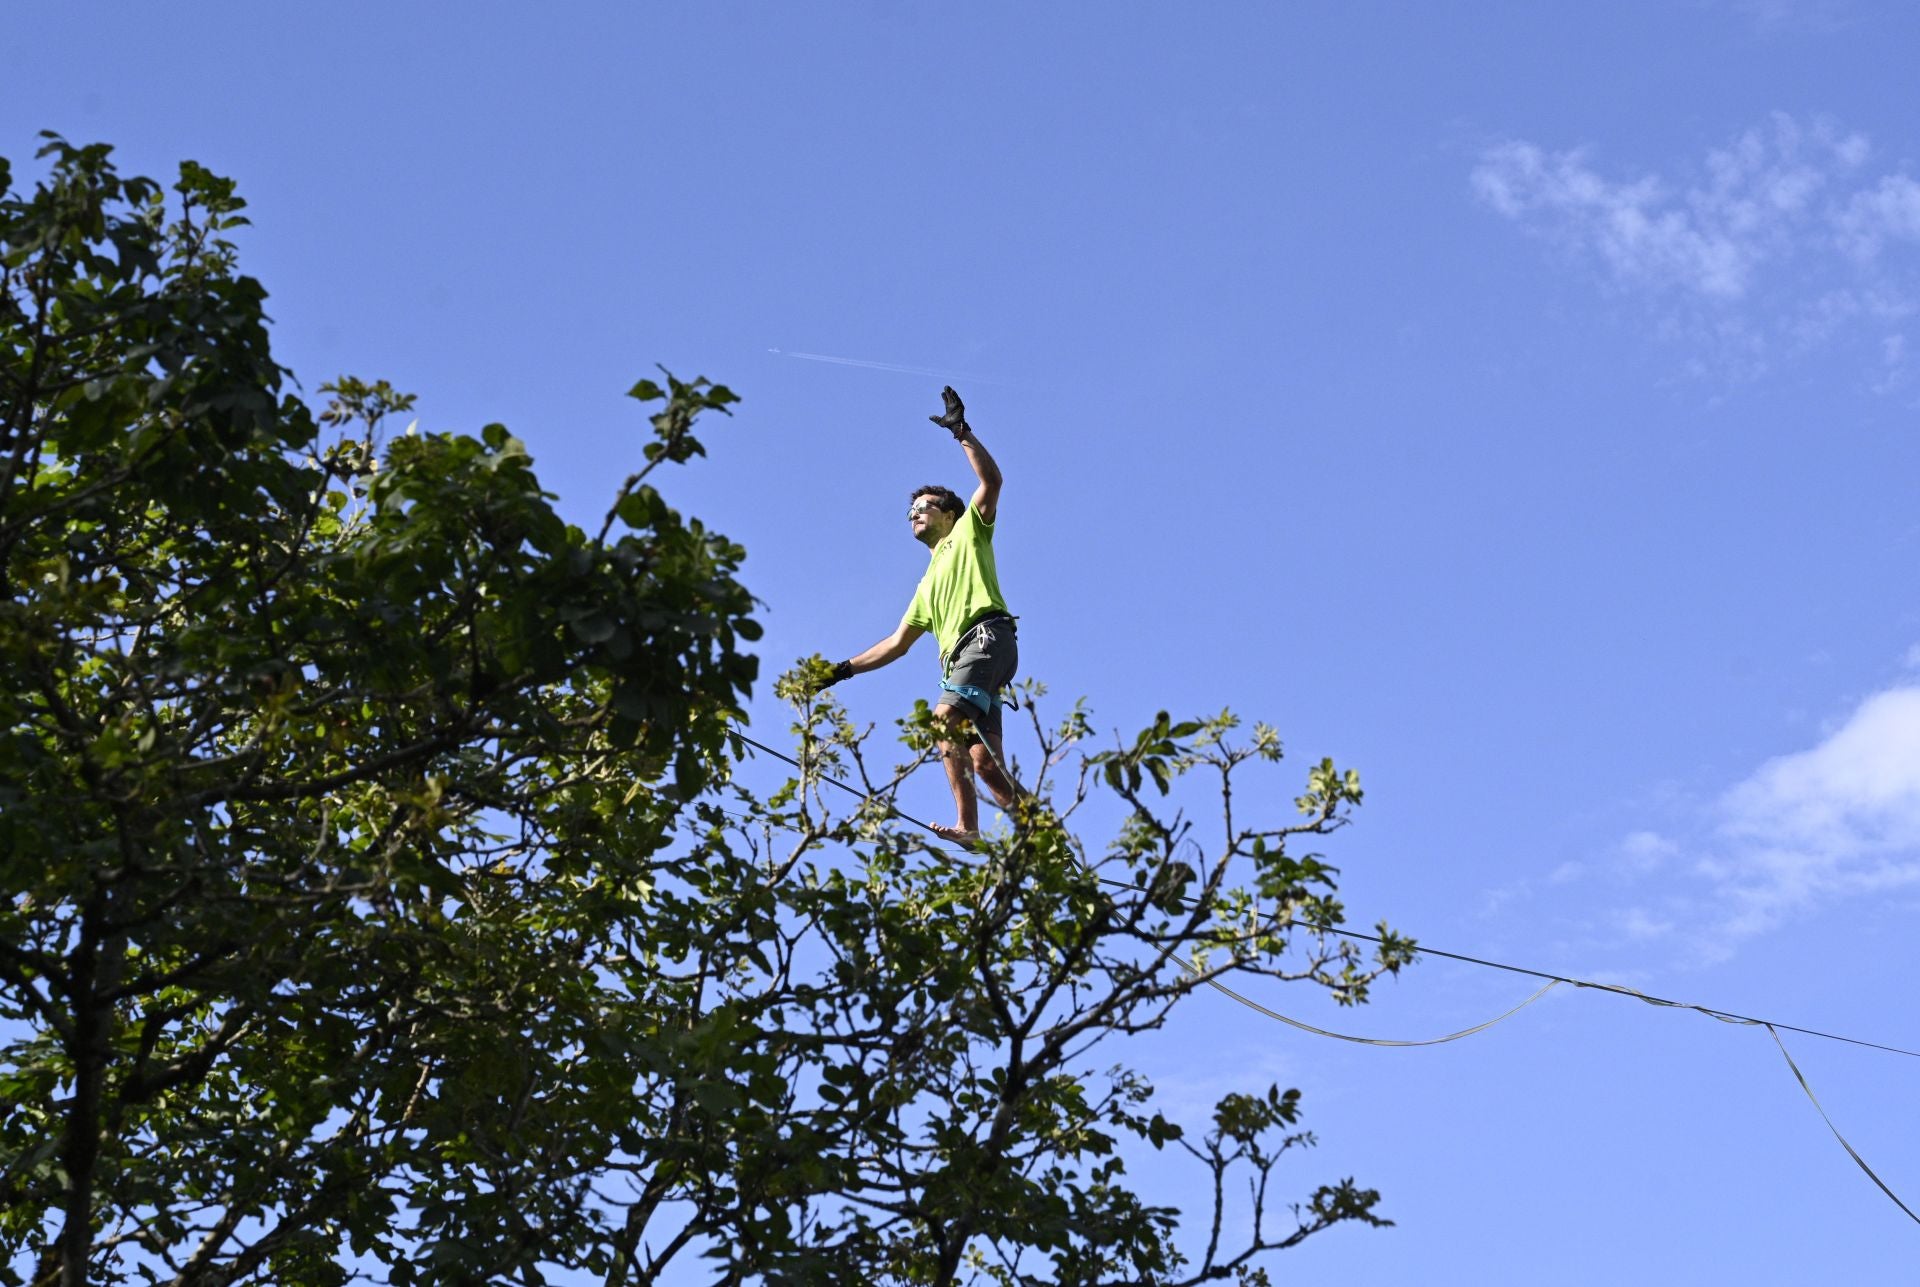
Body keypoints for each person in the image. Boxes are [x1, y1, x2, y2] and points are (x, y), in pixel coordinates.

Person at [822, 386, 1021, 842]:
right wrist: (841, 671)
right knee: (986, 767)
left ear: (948, 513)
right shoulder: (926, 585)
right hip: (969, 659)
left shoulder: (969, 530)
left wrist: (962, 433)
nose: (913, 514)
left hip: (985, 639)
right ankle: (1043, 835)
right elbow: (896, 644)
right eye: (909, 510)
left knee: (941, 723)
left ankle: (968, 828)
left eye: (923, 507)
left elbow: (992, 483)